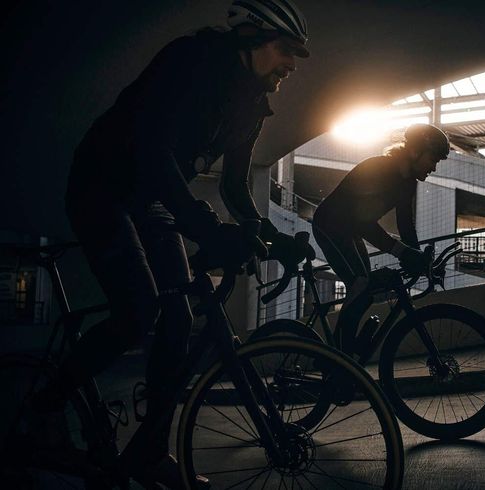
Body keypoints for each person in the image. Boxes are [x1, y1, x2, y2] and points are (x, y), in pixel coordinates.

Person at [38, 0, 310, 487]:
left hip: (150, 200)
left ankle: (149, 450)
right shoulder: (189, 61)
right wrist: (206, 227)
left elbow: (234, 188)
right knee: (138, 311)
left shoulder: (254, 108)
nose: (291, 64)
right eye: (284, 49)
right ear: (250, 37)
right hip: (103, 185)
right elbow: (152, 150)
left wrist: (274, 238)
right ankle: (46, 405)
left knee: (180, 317)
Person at [312, 123, 450, 355]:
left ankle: (341, 353)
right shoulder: (379, 170)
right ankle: (336, 355)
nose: (434, 167)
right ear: (415, 151)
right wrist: (403, 252)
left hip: (350, 230)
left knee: (364, 293)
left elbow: (405, 224)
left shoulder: (407, 182)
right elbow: (363, 223)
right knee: (360, 283)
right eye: (433, 159)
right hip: (330, 226)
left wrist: (417, 257)